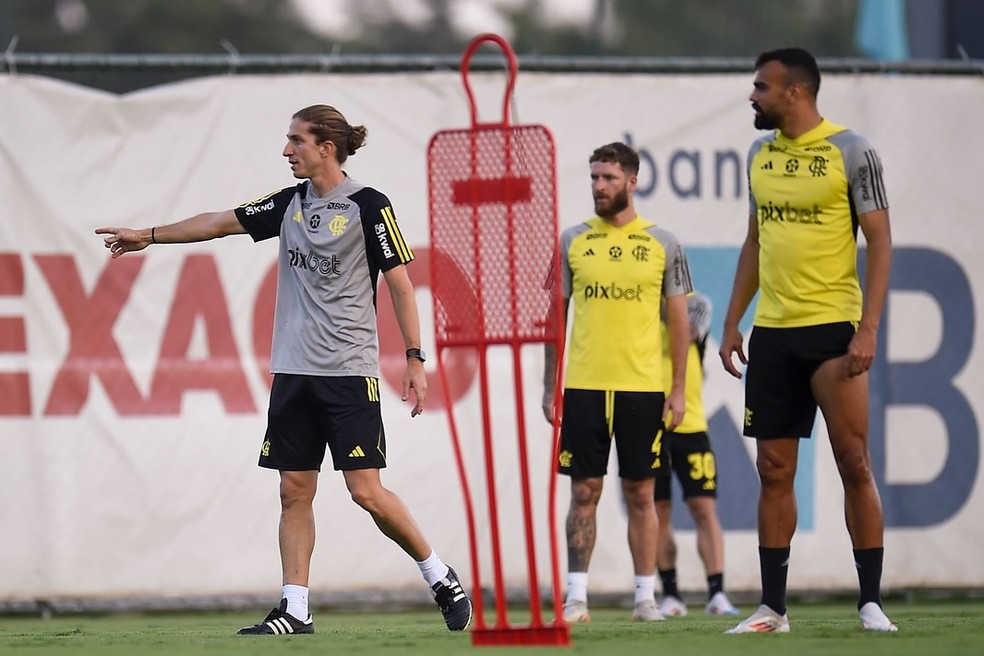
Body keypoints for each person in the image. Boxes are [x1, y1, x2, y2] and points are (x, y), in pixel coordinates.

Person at [96, 104, 472, 636]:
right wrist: (149, 235)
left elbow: (401, 285)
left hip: (348, 373)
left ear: (327, 148)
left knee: (365, 491)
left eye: (296, 140)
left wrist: (415, 357)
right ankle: (295, 608)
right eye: (287, 139)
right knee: (294, 490)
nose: (286, 149)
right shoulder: (289, 204)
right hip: (293, 373)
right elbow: (221, 222)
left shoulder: (369, 205)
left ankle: (439, 576)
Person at [718, 48, 896, 633]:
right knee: (773, 469)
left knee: (854, 462)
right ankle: (773, 608)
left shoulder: (852, 150)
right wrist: (731, 321)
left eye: (761, 88)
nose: (753, 96)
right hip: (773, 333)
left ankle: (870, 601)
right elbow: (754, 243)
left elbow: (881, 241)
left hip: (833, 332)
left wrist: (868, 328)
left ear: (795, 92)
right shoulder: (758, 155)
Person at [542, 141, 693, 623]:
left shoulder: (663, 243)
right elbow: (554, 320)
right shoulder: (571, 240)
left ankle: (646, 598)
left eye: (607, 178)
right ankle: (576, 599)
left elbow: (679, 324)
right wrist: (551, 387)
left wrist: (679, 388)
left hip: (642, 388)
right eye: (593, 178)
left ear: (632, 181)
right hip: (585, 387)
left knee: (642, 494)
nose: (598, 187)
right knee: (583, 492)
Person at [654, 291, 740, 618]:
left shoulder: (689, 302)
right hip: (651, 426)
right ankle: (671, 594)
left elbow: (690, 323)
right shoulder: (642, 305)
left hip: (691, 424)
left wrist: (661, 300)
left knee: (704, 508)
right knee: (658, 511)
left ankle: (717, 593)